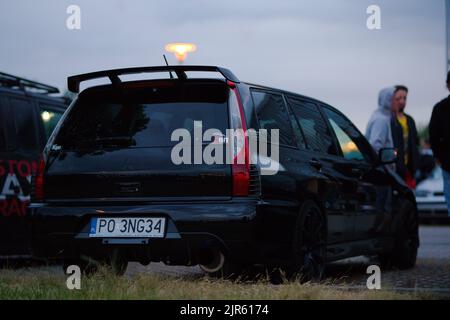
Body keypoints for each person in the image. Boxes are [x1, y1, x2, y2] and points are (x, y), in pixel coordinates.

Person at [366, 87, 396, 231]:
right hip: (384, 172)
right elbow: (375, 146)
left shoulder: (379, 116)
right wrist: (384, 165)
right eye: (394, 99)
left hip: (382, 171)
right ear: (387, 100)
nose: (396, 102)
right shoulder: (381, 120)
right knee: (383, 209)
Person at [429, 71, 450, 216]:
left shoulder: (440, 108)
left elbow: (434, 135)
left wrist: (438, 157)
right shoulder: (440, 108)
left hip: (448, 162)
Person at [390, 85, 420, 189]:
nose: (402, 101)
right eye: (399, 98)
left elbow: (415, 143)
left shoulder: (410, 120)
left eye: (405, 98)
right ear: (392, 98)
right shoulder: (389, 120)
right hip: (395, 170)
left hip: (410, 170)